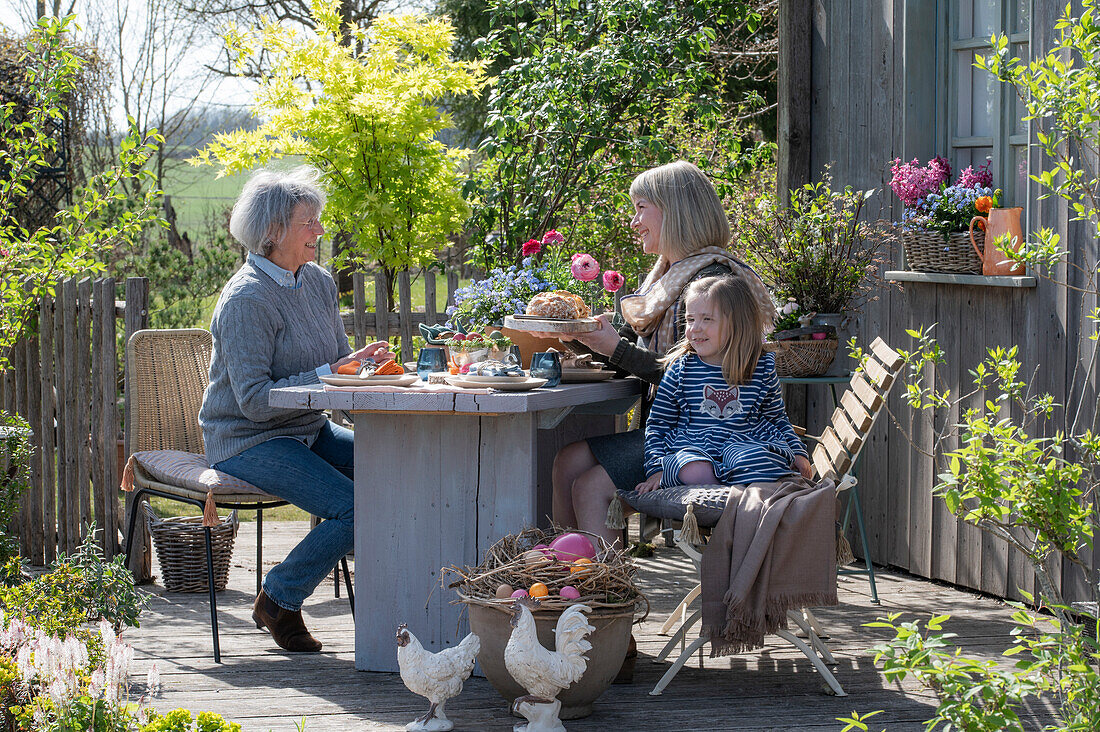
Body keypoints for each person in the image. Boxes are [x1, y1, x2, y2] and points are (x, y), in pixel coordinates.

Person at [198, 166, 393, 653]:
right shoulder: (247, 299)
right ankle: (279, 599)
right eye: (309, 222)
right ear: (272, 232)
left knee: (400, 470)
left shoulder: (319, 283)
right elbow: (255, 402)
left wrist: (363, 372)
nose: (320, 231)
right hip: (248, 439)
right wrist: (333, 370)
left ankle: (399, 603)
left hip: (309, 427)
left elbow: (335, 368)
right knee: (357, 507)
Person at [550, 160, 776, 546]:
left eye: (641, 208)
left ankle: (604, 594)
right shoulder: (669, 277)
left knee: (589, 486)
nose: (634, 221)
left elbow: (704, 376)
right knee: (566, 463)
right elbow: (647, 352)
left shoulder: (713, 282)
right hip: (674, 429)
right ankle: (570, 579)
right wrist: (584, 337)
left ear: (675, 212)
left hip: (706, 439)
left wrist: (616, 350)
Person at [636, 275, 813, 495]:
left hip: (746, 443)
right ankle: (732, 490)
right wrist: (655, 469)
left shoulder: (760, 367)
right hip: (695, 448)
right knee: (690, 469)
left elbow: (776, 417)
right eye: (690, 319)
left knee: (759, 460)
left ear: (737, 323)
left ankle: (740, 492)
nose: (695, 328)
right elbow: (659, 423)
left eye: (707, 319)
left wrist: (798, 451)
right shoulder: (681, 369)